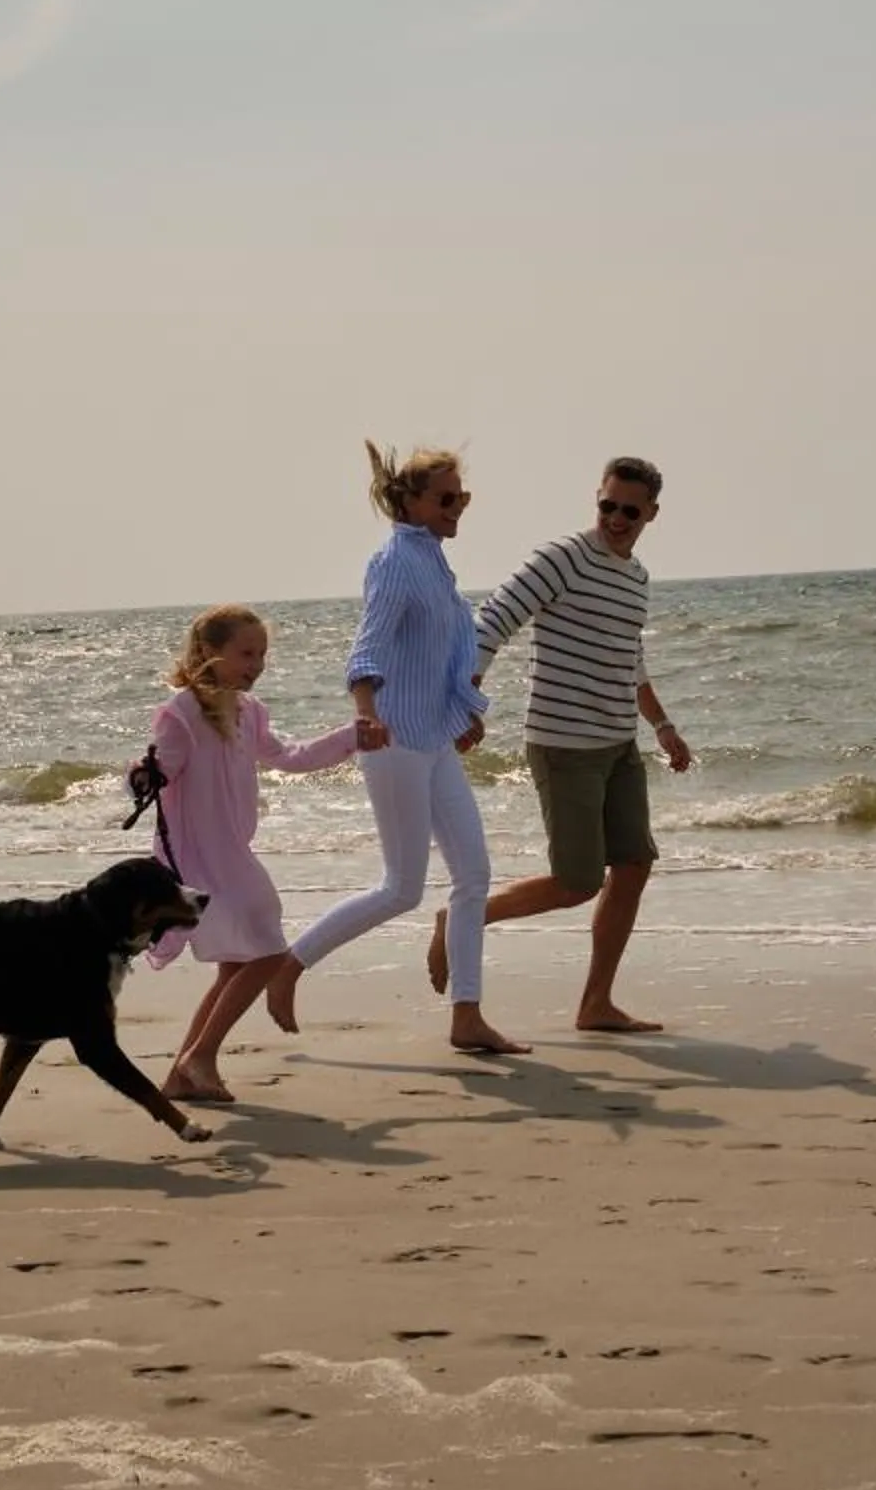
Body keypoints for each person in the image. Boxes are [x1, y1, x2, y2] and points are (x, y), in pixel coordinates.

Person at [266, 443, 527, 1056]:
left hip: (433, 739)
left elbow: (440, 656)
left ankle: (467, 1015)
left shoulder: (434, 562)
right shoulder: (394, 563)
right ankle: (289, 966)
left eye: (462, 497)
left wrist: (463, 715)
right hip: (392, 741)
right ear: (410, 503)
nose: (457, 507)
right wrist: (365, 713)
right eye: (445, 498)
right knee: (402, 887)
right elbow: (370, 644)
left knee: (475, 875)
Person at [432, 456, 693, 1033]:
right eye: (608, 505)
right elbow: (492, 623)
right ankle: (460, 920)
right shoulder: (562, 559)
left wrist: (663, 726)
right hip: (563, 743)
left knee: (633, 865)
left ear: (651, 513)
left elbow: (632, 660)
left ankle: (595, 1004)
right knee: (577, 882)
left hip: (619, 744)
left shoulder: (637, 578)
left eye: (630, 510)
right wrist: (463, 704)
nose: (616, 519)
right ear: (595, 498)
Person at [142, 605, 360, 1103]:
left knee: (237, 966)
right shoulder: (181, 712)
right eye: (245, 654)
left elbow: (288, 757)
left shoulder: (249, 711)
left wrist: (352, 737)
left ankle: (182, 1074)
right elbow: (164, 765)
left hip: (233, 849)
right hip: (202, 857)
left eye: (262, 654)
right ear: (208, 653)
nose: (256, 664)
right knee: (269, 952)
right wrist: (143, 773)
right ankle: (200, 1057)